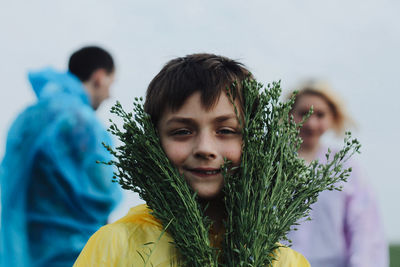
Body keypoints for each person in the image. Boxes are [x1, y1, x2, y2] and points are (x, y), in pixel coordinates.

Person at [74, 53, 310, 266]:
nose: (205, 149)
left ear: (254, 142)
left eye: (226, 131)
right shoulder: (116, 247)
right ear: (154, 142)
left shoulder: (284, 263)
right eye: (182, 132)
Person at [0, 46, 122, 266]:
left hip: (19, 249)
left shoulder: (27, 117)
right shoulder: (81, 122)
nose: (109, 94)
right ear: (99, 78)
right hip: (70, 253)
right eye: (111, 84)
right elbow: (104, 192)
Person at [286, 80, 388, 267]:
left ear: (332, 118)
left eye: (320, 114)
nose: (311, 122)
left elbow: (365, 228)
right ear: (289, 114)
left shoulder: (345, 166)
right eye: (303, 113)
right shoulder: (270, 165)